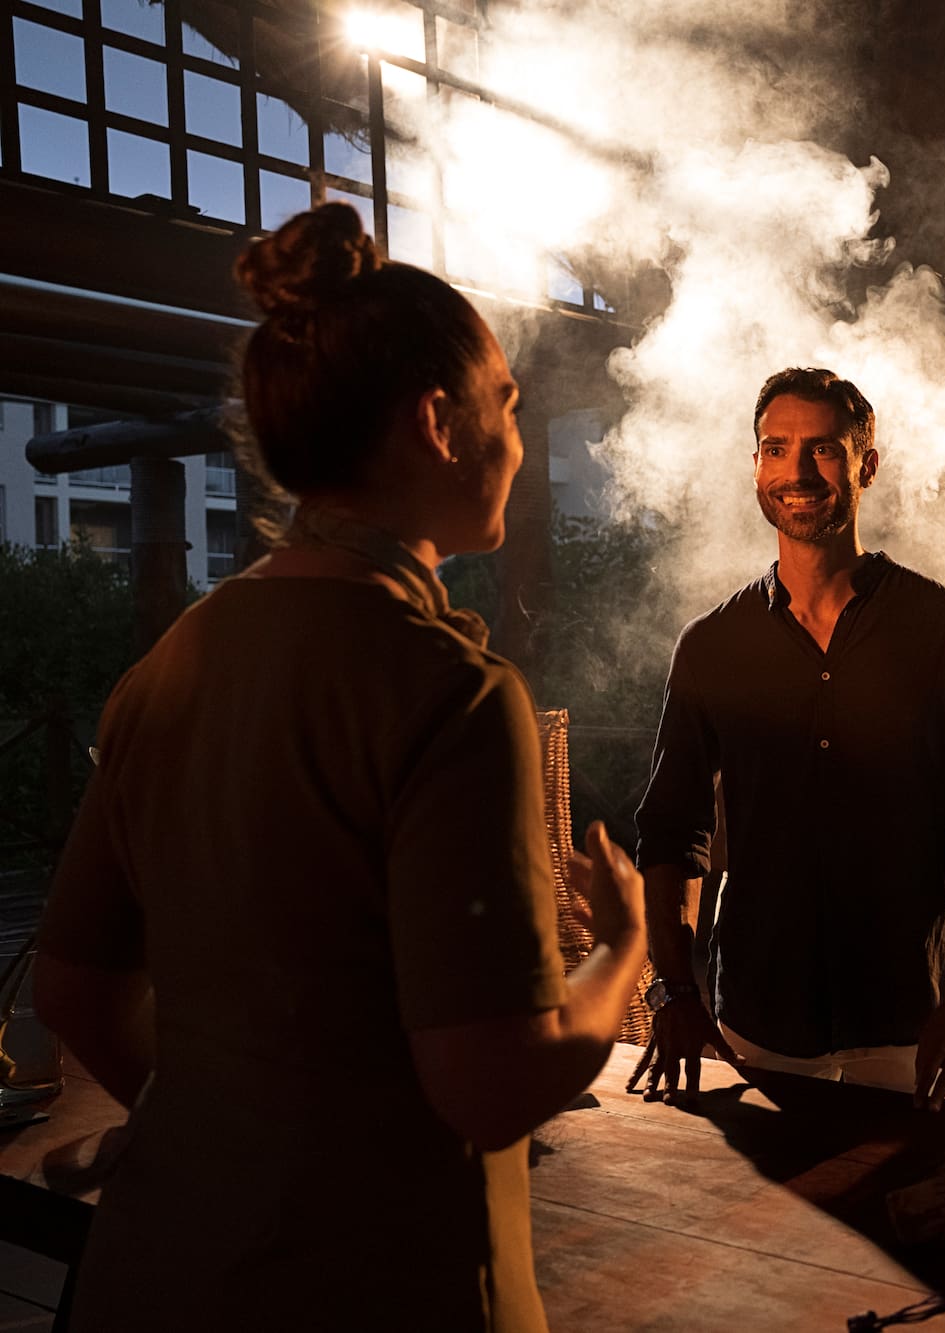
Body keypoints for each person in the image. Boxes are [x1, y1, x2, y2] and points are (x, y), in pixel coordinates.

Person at [32, 203, 648, 1332]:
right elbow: (489, 1083)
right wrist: (621, 950)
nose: (516, 438)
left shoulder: (169, 666)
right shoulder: (449, 693)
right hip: (372, 1282)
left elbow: (71, 985)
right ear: (438, 423)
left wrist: (240, 1122)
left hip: (161, 1267)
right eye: (506, 405)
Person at [631, 367, 945, 1110]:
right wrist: (674, 991)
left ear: (866, 464)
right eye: (776, 448)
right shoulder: (711, 643)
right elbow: (669, 830)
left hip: (909, 1023)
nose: (797, 471)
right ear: (755, 466)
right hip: (753, 1022)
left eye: (823, 449)